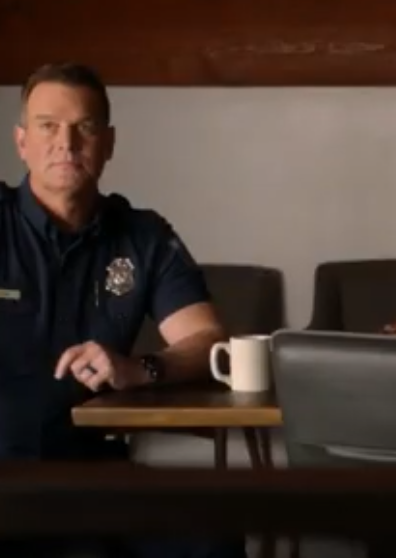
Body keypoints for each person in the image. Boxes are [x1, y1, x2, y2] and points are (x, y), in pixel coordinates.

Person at [0, 63, 246, 557]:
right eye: (48, 126)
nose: (66, 143)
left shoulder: (143, 235)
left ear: (108, 144)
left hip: (96, 476)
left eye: (85, 127)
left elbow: (209, 341)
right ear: (21, 142)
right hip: (5, 474)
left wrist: (142, 367)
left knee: (212, 535)